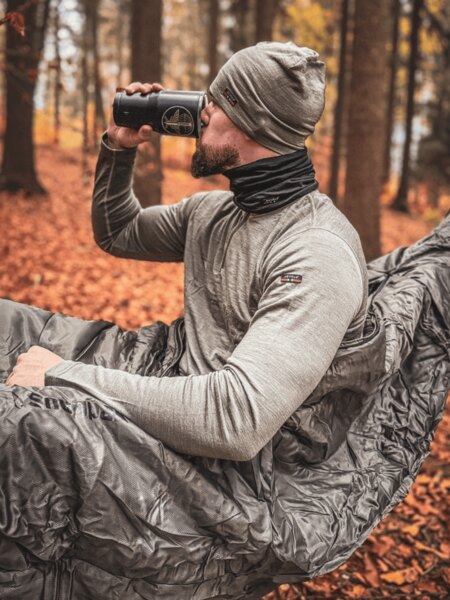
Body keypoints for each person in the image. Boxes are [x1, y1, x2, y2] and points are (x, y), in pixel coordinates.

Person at [6, 41, 368, 461]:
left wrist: (61, 376)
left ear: (253, 124)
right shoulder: (215, 212)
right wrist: (119, 147)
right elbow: (119, 232)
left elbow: (237, 423)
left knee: (13, 427)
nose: (201, 110)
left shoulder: (315, 252)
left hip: (232, 478)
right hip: (170, 384)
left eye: (216, 102)